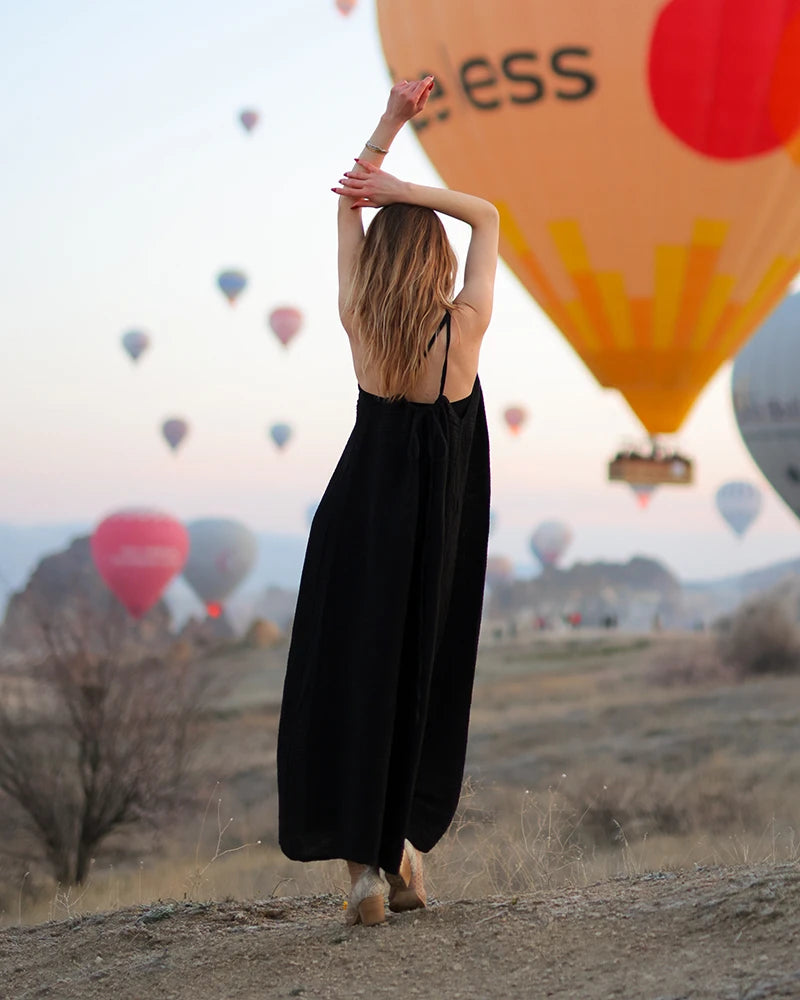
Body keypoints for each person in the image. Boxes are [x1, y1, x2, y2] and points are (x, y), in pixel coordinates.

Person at [276, 76, 499, 927]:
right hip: (435, 527)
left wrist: (387, 132)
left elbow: (346, 209)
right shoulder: (466, 325)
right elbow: (487, 215)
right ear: (438, 261)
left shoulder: (359, 317)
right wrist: (410, 191)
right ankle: (401, 847)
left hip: (358, 517)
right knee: (419, 675)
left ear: (377, 261)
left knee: (353, 675)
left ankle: (370, 872)